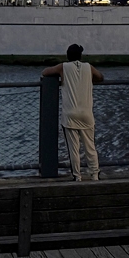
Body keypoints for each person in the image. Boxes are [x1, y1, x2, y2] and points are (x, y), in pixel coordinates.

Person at [42, 44, 103, 180]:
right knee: (90, 146)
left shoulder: (63, 67)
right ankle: (94, 174)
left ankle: (77, 176)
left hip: (70, 114)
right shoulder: (89, 67)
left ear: (67, 56)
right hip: (86, 113)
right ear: (80, 56)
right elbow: (100, 76)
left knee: (73, 148)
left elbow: (45, 72)